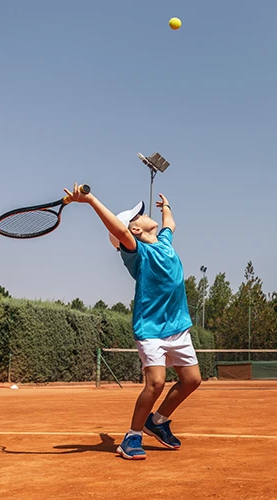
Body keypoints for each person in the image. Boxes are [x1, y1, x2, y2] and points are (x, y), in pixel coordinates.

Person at [65, 183, 202, 460]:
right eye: (138, 215)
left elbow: (170, 223)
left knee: (192, 380)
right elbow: (119, 230)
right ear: (135, 230)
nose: (144, 214)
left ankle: (158, 421)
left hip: (177, 327)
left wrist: (168, 208)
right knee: (156, 383)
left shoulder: (164, 242)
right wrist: (90, 199)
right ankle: (132, 437)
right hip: (151, 329)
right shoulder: (137, 252)